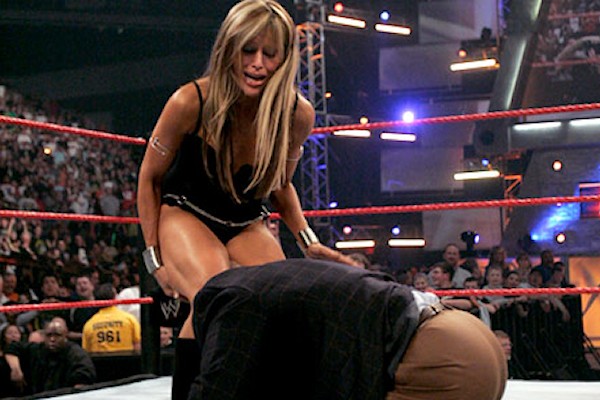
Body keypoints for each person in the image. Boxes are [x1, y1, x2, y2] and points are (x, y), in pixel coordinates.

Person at [136, 1, 354, 398]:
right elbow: (149, 178)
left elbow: (281, 185)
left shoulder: (296, 113)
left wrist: (308, 241)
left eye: (269, 54)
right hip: (187, 212)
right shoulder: (190, 101)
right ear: (229, 49)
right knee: (215, 295)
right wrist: (154, 261)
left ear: (284, 59)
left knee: (282, 301)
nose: (257, 64)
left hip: (245, 220)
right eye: (248, 50)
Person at [190, 258, 507, 399]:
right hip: (463, 337)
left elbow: (217, 390)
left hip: (437, 358)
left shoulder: (235, 306)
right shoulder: (271, 285)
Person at [4, 317, 96, 396]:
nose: (52, 339)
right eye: (49, 335)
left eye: (57, 335)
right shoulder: (38, 349)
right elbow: (12, 348)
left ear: (65, 336)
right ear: (44, 336)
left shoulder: (75, 353)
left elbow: (83, 380)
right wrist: (16, 370)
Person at [82, 283, 141, 353]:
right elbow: (137, 346)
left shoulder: (89, 325)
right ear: (115, 297)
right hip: (127, 359)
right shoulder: (130, 320)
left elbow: (86, 351)